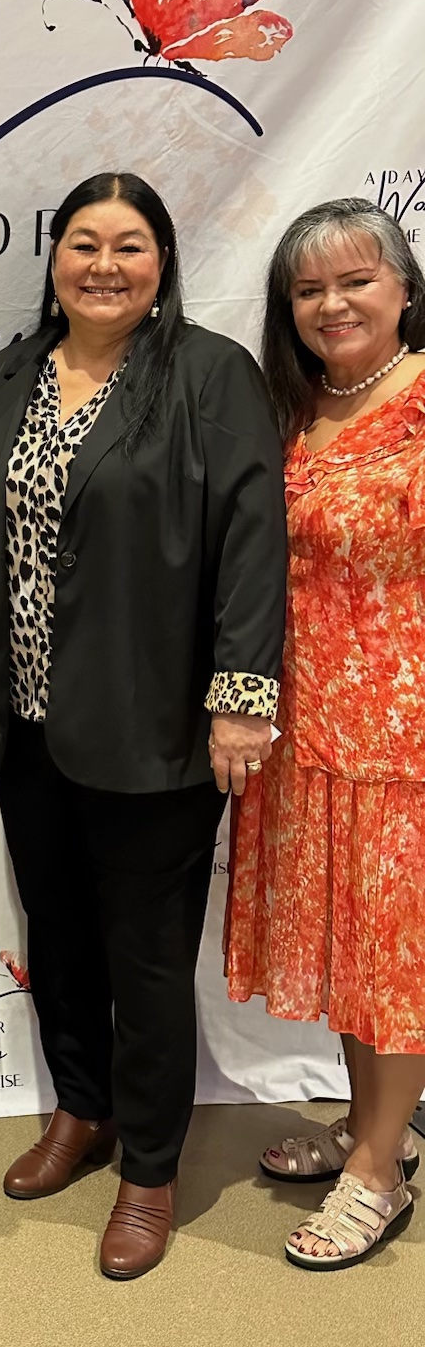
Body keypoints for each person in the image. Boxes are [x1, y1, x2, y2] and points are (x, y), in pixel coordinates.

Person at [0, 172, 286, 1279]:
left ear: (162, 262)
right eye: (83, 243)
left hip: (153, 728)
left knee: (144, 953)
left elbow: (251, 536)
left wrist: (241, 695)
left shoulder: (207, 375)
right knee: (62, 933)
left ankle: (150, 1165)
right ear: (54, 260)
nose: (104, 264)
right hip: (28, 722)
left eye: (129, 246)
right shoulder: (9, 376)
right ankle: (80, 1110)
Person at [226, 198, 425, 1271]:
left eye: (357, 280)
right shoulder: (298, 408)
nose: (334, 302)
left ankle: (379, 1172)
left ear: (404, 289)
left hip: (404, 733)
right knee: (356, 952)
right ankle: (373, 1127)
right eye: (310, 289)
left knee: (398, 955)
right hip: (308, 729)